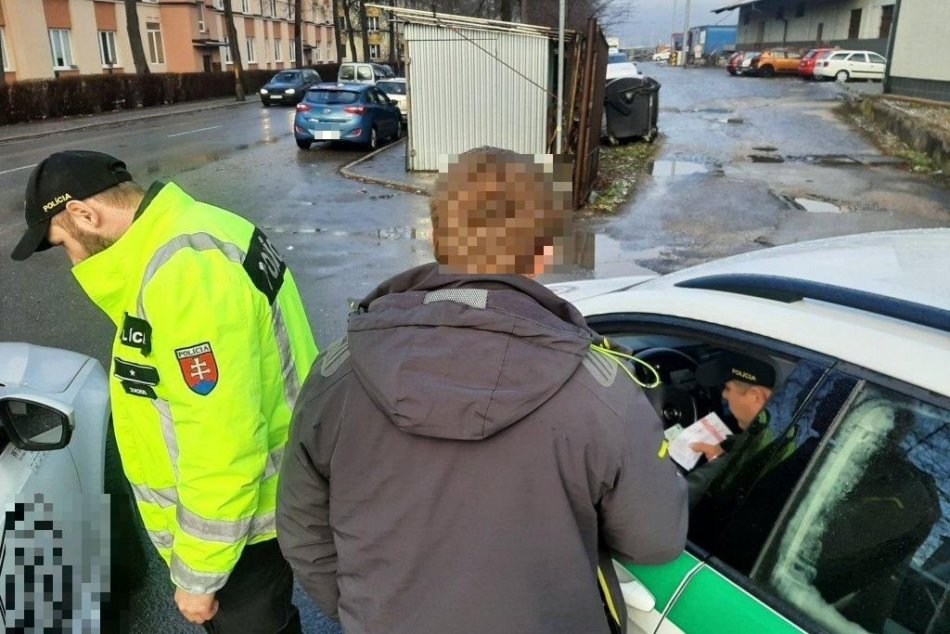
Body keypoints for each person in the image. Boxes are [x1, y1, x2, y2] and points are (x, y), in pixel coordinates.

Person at [276, 148, 687, 634]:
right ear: (545, 250)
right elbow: (656, 540)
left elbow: (303, 533)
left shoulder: (335, 376)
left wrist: (365, 611)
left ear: (435, 236)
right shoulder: (601, 391)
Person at [11, 150, 318, 633]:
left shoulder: (184, 275)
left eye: (63, 243)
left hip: (242, 529)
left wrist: (199, 573)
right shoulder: (201, 230)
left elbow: (222, 441)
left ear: (84, 214)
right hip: (256, 510)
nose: (71, 261)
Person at [686, 351, 777, 508]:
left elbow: (672, 503)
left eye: (727, 388)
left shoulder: (756, 455)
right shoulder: (780, 435)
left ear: (756, 396)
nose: (723, 395)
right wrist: (723, 453)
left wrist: (724, 465)